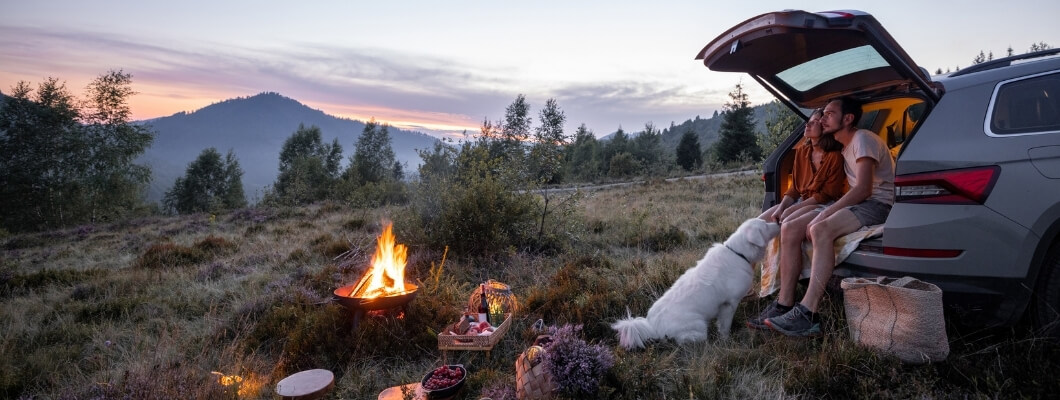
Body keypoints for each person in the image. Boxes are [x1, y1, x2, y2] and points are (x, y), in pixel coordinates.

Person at [763, 96, 896, 337]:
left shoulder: (862, 139)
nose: (823, 118)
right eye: (822, 114)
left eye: (829, 114)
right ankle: (784, 303)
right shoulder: (843, 147)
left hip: (877, 205)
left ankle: (808, 313)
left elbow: (864, 189)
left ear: (848, 119)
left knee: (820, 229)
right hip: (860, 202)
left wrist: (824, 214)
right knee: (792, 227)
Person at [747, 108, 845, 329]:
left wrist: (792, 211)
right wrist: (782, 208)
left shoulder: (834, 157)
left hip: (823, 203)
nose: (807, 125)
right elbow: (794, 189)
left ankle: (784, 302)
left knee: (788, 224)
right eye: (808, 121)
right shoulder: (802, 152)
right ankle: (745, 288)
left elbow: (826, 195)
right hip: (802, 200)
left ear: (825, 128)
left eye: (814, 122)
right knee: (755, 226)